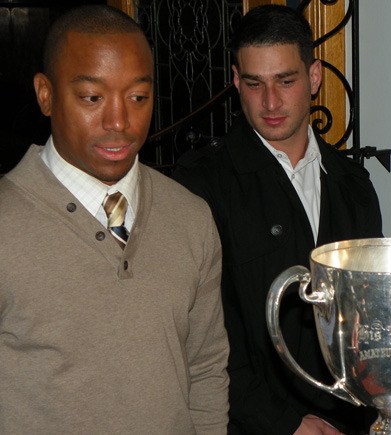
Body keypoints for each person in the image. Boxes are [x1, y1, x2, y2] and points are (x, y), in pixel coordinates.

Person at [0, 5, 229, 433]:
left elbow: (206, 369)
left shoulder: (191, 219)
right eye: (92, 98)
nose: (120, 122)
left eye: (138, 97)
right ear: (45, 94)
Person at [173, 4, 382, 434]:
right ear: (235, 81)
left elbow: (370, 318)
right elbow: (199, 334)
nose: (270, 102)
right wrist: (285, 423)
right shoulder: (200, 185)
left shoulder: (354, 185)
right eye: (254, 84)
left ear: (314, 77)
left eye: (285, 81)